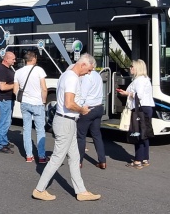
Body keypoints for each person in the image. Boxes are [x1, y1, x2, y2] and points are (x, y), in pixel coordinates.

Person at [32, 53, 101, 201]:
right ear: (83, 65)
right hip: (66, 122)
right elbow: (69, 103)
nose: (89, 72)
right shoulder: (72, 78)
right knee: (57, 157)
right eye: (89, 69)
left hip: (66, 121)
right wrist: (82, 110)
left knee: (75, 157)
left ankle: (81, 191)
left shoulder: (66, 74)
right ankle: (39, 189)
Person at [117, 59, 155, 169]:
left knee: (137, 134)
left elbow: (140, 95)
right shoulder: (146, 79)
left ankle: (138, 160)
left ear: (137, 68)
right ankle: (145, 158)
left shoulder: (139, 81)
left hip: (139, 109)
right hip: (147, 108)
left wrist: (127, 93)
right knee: (145, 134)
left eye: (132, 66)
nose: (130, 68)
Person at [14, 51, 48, 163]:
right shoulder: (39, 70)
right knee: (40, 130)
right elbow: (44, 88)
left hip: (24, 103)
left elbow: (15, 90)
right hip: (37, 103)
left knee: (26, 129)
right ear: (33, 59)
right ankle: (42, 156)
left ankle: (29, 156)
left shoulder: (18, 72)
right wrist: (43, 101)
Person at [77, 66, 106, 169]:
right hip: (98, 107)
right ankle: (102, 161)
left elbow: (82, 96)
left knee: (81, 135)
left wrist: (78, 108)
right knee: (97, 135)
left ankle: (79, 161)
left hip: (88, 109)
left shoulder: (87, 78)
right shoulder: (98, 75)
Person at [0, 51, 16, 154]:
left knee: (7, 121)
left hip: (8, 99)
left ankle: (4, 141)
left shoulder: (8, 69)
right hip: (4, 99)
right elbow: (2, 87)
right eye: (13, 59)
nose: (15, 61)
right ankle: (1, 145)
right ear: (6, 59)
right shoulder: (2, 70)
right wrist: (16, 86)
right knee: (4, 122)